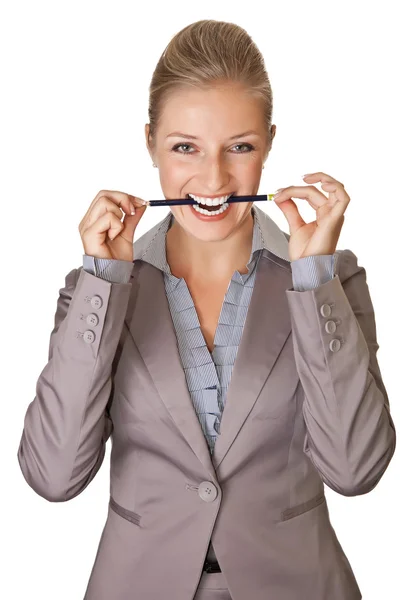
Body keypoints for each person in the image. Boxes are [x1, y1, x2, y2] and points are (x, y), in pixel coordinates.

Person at [17, 19, 396, 600]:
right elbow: (53, 475)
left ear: (268, 144)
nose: (214, 178)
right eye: (185, 148)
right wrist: (103, 280)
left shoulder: (330, 282)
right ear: (150, 143)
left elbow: (356, 471)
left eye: (239, 147)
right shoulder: (97, 289)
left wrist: (314, 277)